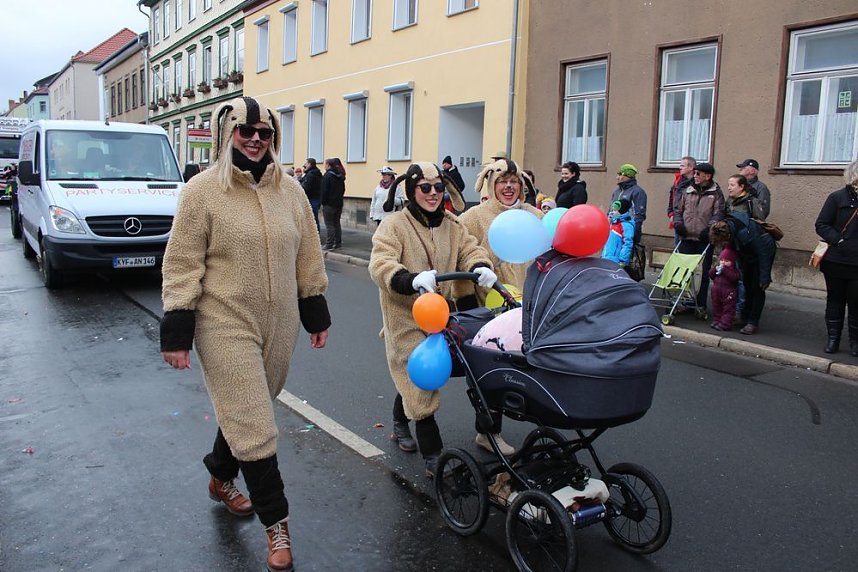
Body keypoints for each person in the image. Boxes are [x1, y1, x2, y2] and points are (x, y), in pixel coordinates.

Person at [160, 96, 331, 572]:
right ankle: (278, 528)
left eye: (266, 133)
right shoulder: (201, 192)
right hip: (223, 320)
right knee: (256, 423)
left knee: (248, 406)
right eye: (246, 131)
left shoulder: (291, 191)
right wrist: (177, 327)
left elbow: (308, 256)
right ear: (227, 135)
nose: (256, 140)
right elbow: (181, 262)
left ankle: (219, 476)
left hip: (279, 322)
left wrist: (315, 311)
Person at [368, 161, 497, 477]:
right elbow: (380, 263)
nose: (433, 194)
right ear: (412, 190)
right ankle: (433, 455)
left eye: (438, 187)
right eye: (425, 188)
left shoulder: (453, 225)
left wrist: (480, 264)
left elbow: (470, 249)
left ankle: (400, 421)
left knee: (421, 373)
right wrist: (408, 279)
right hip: (405, 316)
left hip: (442, 314)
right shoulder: (394, 225)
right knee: (421, 379)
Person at [814, 160, 858, 356]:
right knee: (835, 301)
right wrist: (839, 240)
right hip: (836, 261)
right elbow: (822, 224)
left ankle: (855, 343)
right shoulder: (837, 198)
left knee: (856, 302)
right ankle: (833, 340)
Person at [673, 162, 725, 312]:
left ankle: (700, 303)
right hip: (686, 237)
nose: (695, 176)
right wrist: (678, 224)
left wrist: (709, 229)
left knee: (702, 273)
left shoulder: (716, 193)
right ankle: (683, 301)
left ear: (707, 176)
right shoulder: (687, 190)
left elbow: (719, 213)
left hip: (704, 239)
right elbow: (678, 209)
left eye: (698, 174)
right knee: (683, 270)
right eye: (694, 173)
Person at [610, 163, 647, 243]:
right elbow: (610, 210)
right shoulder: (616, 192)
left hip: (627, 233)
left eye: (620, 174)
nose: (617, 177)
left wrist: (635, 234)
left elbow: (639, 215)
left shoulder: (638, 192)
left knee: (625, 254)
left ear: (627, 176)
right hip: (613, 232)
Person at [707, 245, 741, 331]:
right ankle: (717, 320)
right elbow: (711, 275)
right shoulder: (718, 268)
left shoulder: (733, 270)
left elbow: (735, 277)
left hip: (728, 292)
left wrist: (725, 270)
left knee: (728, 309)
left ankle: (725, 323)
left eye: (727, 261)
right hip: (716, 290)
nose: (723, 263)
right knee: (717, 307)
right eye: (722, 260)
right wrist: (715, 269)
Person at [668, 156, 696, 244]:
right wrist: (671, 213)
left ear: (691, 167)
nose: (680, 168)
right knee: (678, 247)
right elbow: (672, 198)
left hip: (691, 221)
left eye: (683, 166)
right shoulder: (678, 181)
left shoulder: (696, 182)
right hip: (678, 220)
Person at [320, 157, 346, 250]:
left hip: (329, 204)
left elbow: (324, 191)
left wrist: (323, 201)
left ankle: (329, 244)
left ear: (328, 165)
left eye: (325, 164)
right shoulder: (340, 176)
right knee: (336, 223)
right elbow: (343, 190)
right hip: (338, 203)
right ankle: (338, 243)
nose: (324, 166)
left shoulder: (327, 176)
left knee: (329, 224)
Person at [602, 199, 635, 269]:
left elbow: (627, 243)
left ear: (621, 211)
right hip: (607, 257)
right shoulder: (613, 223)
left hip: (616, 261)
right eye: (612, 210)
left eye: (615, 210)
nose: (612, 212)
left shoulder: (626, 225)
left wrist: (622, 260)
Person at [299, 158, 322, 233]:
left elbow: (306, 187)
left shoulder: (311, 174)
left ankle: (315, 235)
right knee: (314, 218)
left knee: (312, 219)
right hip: (316, 198)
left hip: (312, 199)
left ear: (310, 164)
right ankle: (316, 234)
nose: (304, 165)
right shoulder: (316, 173)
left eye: (306, 163)